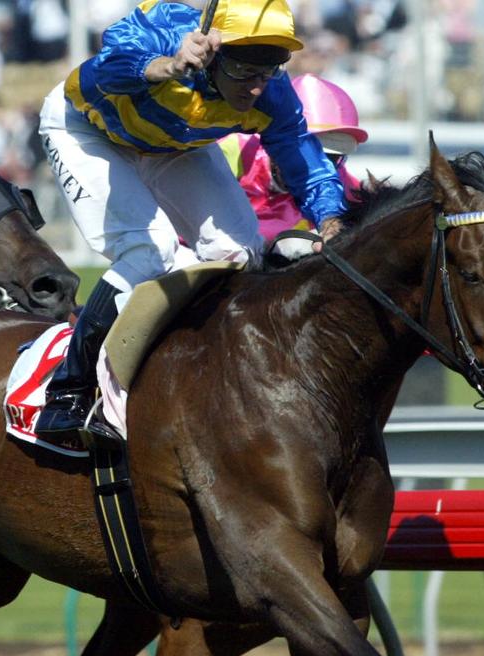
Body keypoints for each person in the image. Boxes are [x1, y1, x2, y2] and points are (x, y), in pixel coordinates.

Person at [34, 0, 348, 440]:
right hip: (87, 130)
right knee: (149, 249)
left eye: (269, 70)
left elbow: (305, 162)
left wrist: (332, 218)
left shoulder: (272, 93)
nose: (256, 88)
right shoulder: (166, 26)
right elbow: (102, 70)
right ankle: (68, 392)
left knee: (240, 251)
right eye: (243, 71)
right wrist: (166, 65)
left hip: (173, 146)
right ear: (214, 50)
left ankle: (199, 372)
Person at [216, 72, 367, 244]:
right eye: (309, 155)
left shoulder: (340, 181)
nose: (320, 166)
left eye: (332, 158)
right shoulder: (235, 150)